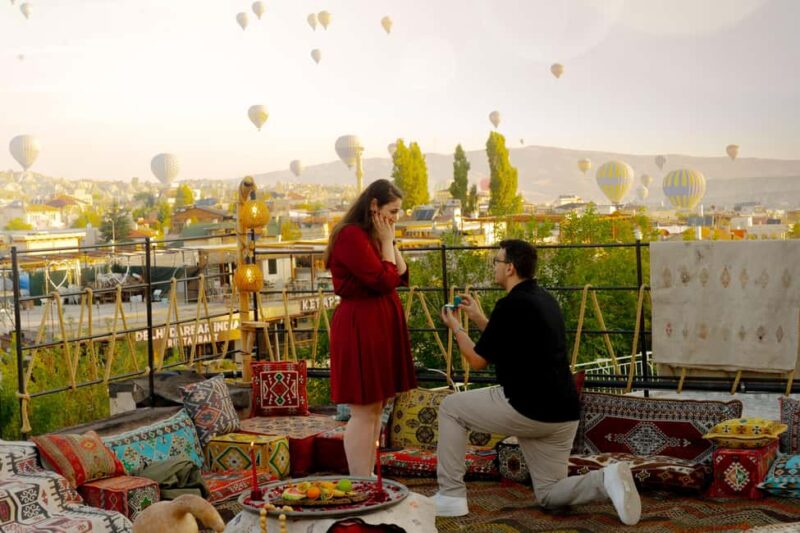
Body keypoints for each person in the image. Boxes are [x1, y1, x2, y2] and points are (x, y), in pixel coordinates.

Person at [434, 239, 641, 525]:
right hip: (563, 414)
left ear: (510, 267)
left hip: (528, 408)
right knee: (549, 493)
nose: (494, 267)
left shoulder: (510, 304)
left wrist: (456, 327)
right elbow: (503, 339)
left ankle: (451, 496)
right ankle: (606, 479)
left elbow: (478, 360)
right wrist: (478, 317)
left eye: (496, 261)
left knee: (451, 408)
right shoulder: (544, 299)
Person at [323, 179, 417, 477]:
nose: (396, 217)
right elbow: (384, 280)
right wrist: (387, 242)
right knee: (364, 409)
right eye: (393, 211)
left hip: (377, 323)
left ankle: (366, 475)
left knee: (376, 406)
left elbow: (402, 274)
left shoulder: (373, 235)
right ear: (374, 206)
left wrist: (390, 240)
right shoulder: (350, 235)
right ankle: (360, 478)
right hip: (361, 326)